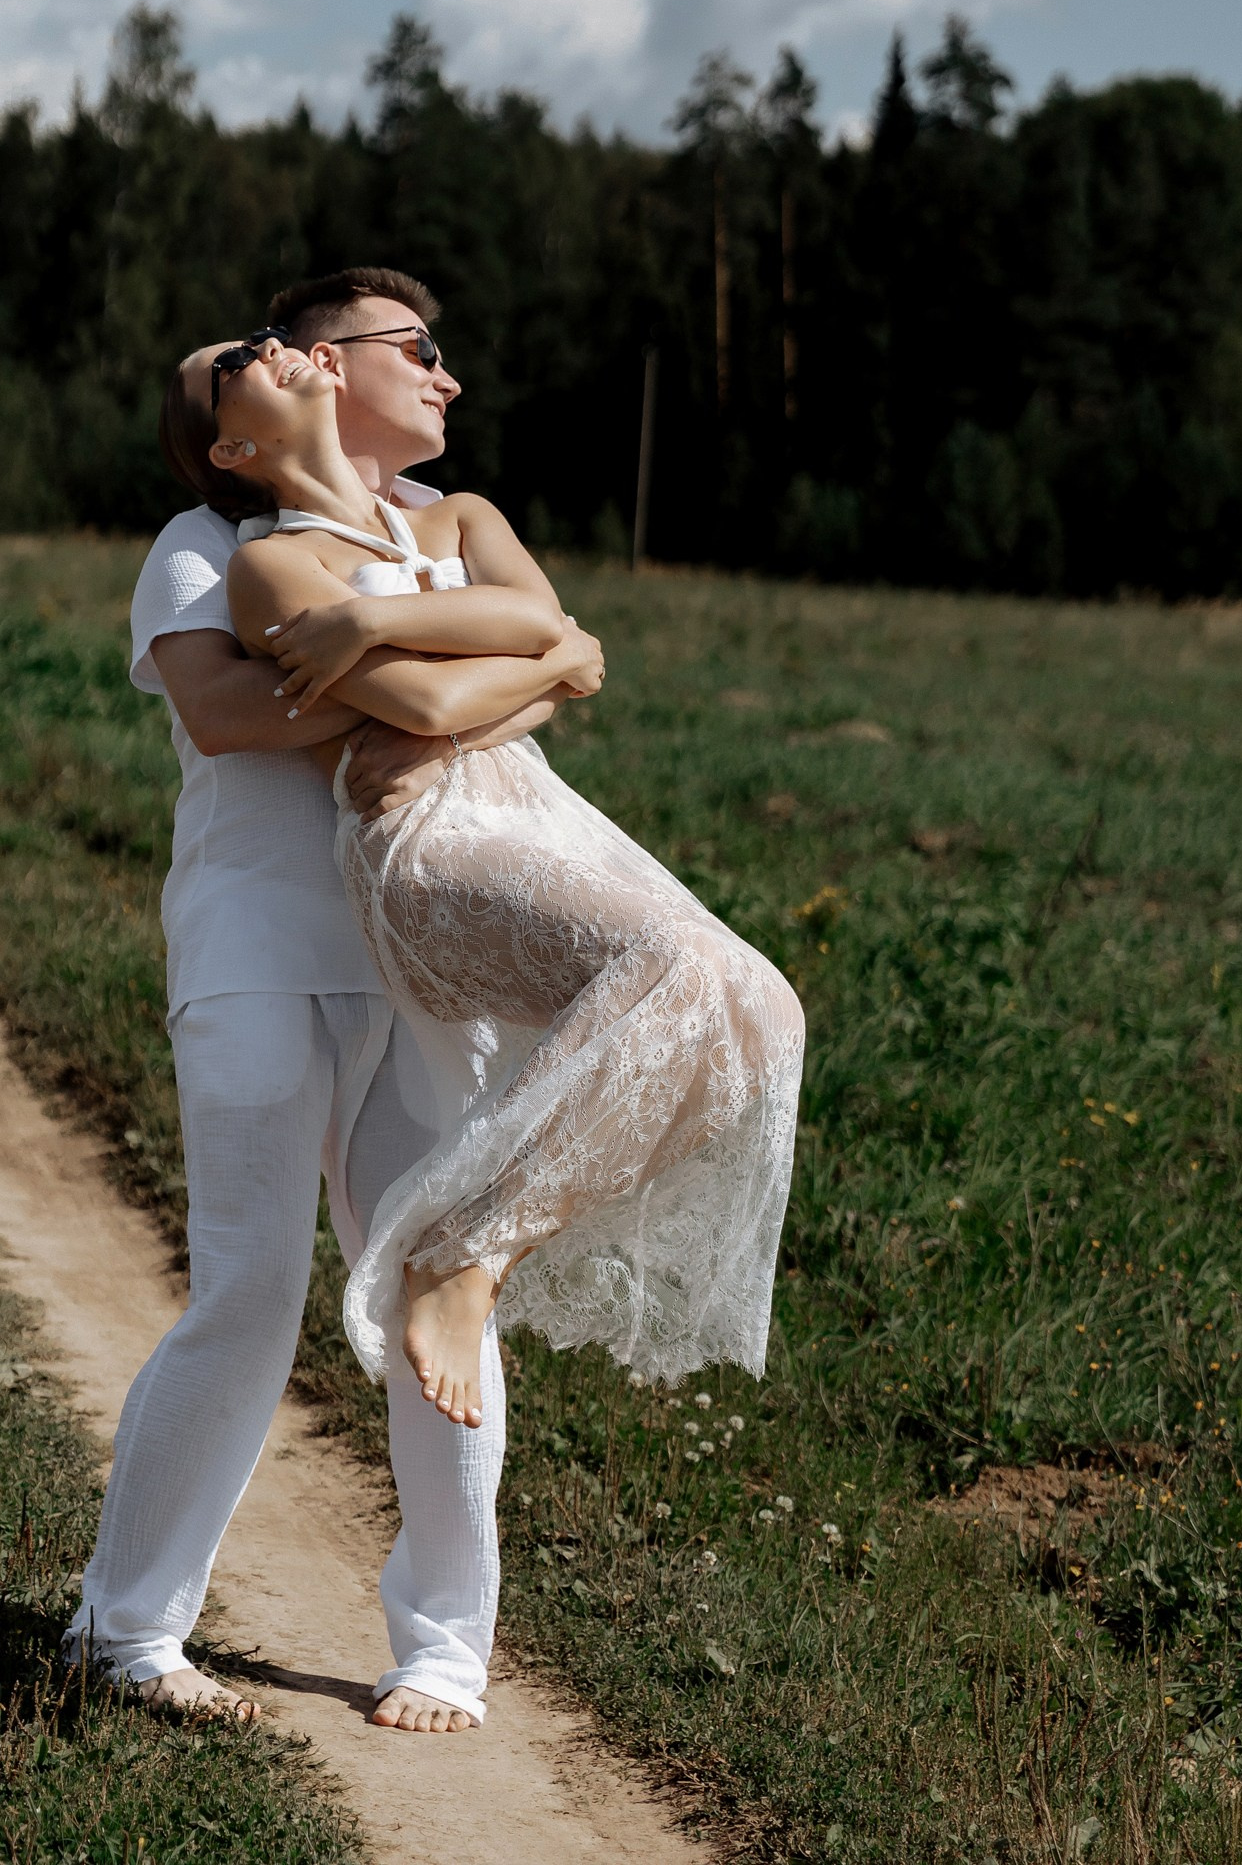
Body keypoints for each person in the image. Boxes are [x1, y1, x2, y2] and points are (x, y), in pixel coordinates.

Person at [62, 270, 605, 1734]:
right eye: (411, 349)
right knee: (250, 1289)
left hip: (426, 967)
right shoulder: (205, 544)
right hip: (256, 946)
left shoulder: (436, 529)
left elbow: (549, 657)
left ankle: (445, 1642)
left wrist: (423, 657)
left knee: (440, 1285)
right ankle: (128, 1627)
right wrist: (465, 670)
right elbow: (231, 715)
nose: (436, 372)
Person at [190, 333, 805, 1436]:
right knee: (673, 966)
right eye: (244, 356)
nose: (277, 346)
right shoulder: (268, 567)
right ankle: (455, 1255)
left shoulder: (459, 518)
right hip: (418, 841)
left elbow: (545, 636)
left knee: (761, 1007)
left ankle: (480, 1245)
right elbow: (453, 698)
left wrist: (378, 619)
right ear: (232, 443)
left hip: (542, 816)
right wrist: (544, 667)